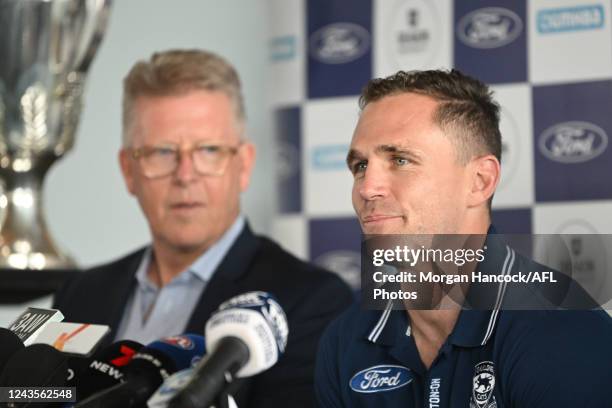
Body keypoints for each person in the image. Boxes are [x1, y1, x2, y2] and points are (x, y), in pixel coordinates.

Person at [53, 49, 353, 407]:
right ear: (128, 171)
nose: (185, 175)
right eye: (162, 152)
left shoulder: (310, 302)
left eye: (208, 150)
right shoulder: (80, 294)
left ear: (243, 166)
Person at [315, 69, 612, 407]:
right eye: (360, 166)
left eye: (400, 160)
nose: (367, 188)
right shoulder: (346, 339)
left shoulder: (563, 333)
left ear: (480, 181)